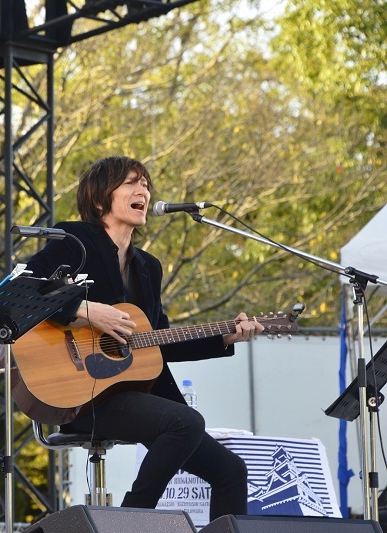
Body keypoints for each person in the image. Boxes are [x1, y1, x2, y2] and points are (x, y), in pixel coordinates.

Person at [22, 155, 264, 520]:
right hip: (83, 397)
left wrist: (225, 338)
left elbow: (158, 340)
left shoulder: (148, 267)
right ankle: (128, 522)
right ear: (101, 199)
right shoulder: (75, 242)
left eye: (146, 185)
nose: (143, 191)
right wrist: (83, 310)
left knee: (231, 471)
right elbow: (23, 291)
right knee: (186, 421)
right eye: (131, 183)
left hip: (140, 398)